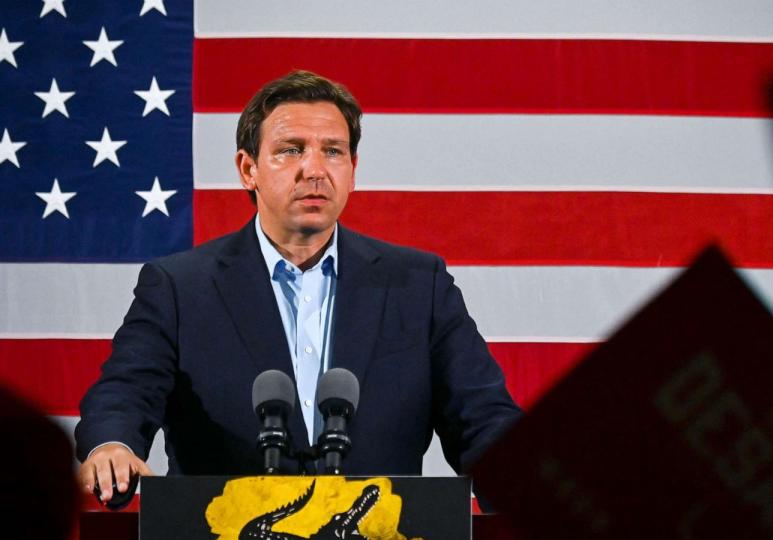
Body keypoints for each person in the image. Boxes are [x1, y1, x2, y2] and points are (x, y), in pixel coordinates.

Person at [76, 71, 522, 502]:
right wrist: (111, 446)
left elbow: (482, 416)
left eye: (332, 151)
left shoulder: (418, 286)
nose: (314, 169)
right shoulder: (179, 286)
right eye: (291, 150)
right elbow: (125, 392)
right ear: (247, 169)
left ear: (353, 168)